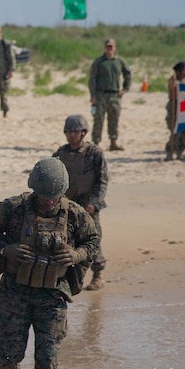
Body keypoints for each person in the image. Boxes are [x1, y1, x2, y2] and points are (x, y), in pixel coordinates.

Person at [0, 158, 100, 369]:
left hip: (53, 294)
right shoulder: (12, 208)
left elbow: (92, 241)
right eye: (44, 196)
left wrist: (76, 255)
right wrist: (6, 249)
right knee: (8, 356)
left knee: (48, 356)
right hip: (15, 292)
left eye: (54, 197)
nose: (49, 202)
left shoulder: (75, 214)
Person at [52, 114, 108, 291]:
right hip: (67, 203)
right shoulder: (61, 154)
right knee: (65, 239)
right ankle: (69, 276)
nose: (71, 135)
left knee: (92, 239)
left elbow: (103, 180)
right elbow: (51, 174)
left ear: (83, 133)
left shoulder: (94, 154)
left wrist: (95, 202)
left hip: (88, 204)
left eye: (75, 131)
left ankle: (98, 274)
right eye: (68, 131)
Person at [88, 39, 131, 151]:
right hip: (101, 95)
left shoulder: (119, 61)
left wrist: (125, 89)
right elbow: (92, 78)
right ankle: (96, 142)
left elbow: (128, 74)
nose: (109, 49)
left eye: (111, 47)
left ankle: (113, 142)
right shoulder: (99, 62)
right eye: (108, 47)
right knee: (98, 119)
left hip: (115, 95)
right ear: (104, 48)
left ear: (115, 48)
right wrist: (93, 95)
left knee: (114, 119)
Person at [165, 61, 185, 161]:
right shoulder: (173, 81)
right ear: (179, 71)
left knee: (184, 131)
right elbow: (171, 92)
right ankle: (170, 152)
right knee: (175, 131)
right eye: (184, 71)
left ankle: (180, 152)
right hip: (175, 106)